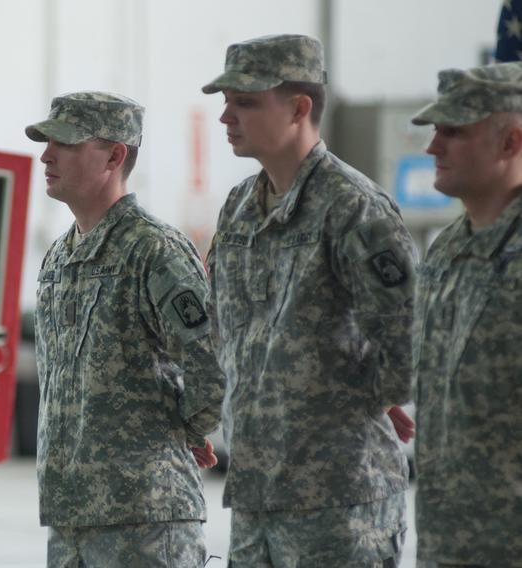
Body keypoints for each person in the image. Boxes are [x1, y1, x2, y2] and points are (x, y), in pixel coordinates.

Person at [201, 34, 416, 566]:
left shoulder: (353, 208)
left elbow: (412, 338)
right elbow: (226, 328)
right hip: (256, 497)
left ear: (299, 108)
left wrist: (356, 401)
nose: (226, 115)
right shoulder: (239, 208)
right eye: (225, 101)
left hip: (338, 501)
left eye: (245, 102)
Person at [26, 91, 226, 566]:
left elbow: (212, 364)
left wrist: (185, 432)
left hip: (144, 518)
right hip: (71, 516)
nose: (46, 155)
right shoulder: (59, 257)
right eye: (47, 142)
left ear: (115, 156)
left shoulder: (153, 250)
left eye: (67, 144)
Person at [410, 62, 522, 568]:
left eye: (454, 131)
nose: (434, 147)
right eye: (435, 131)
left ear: (510, 141)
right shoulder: (446, 250)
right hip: (447, 541)